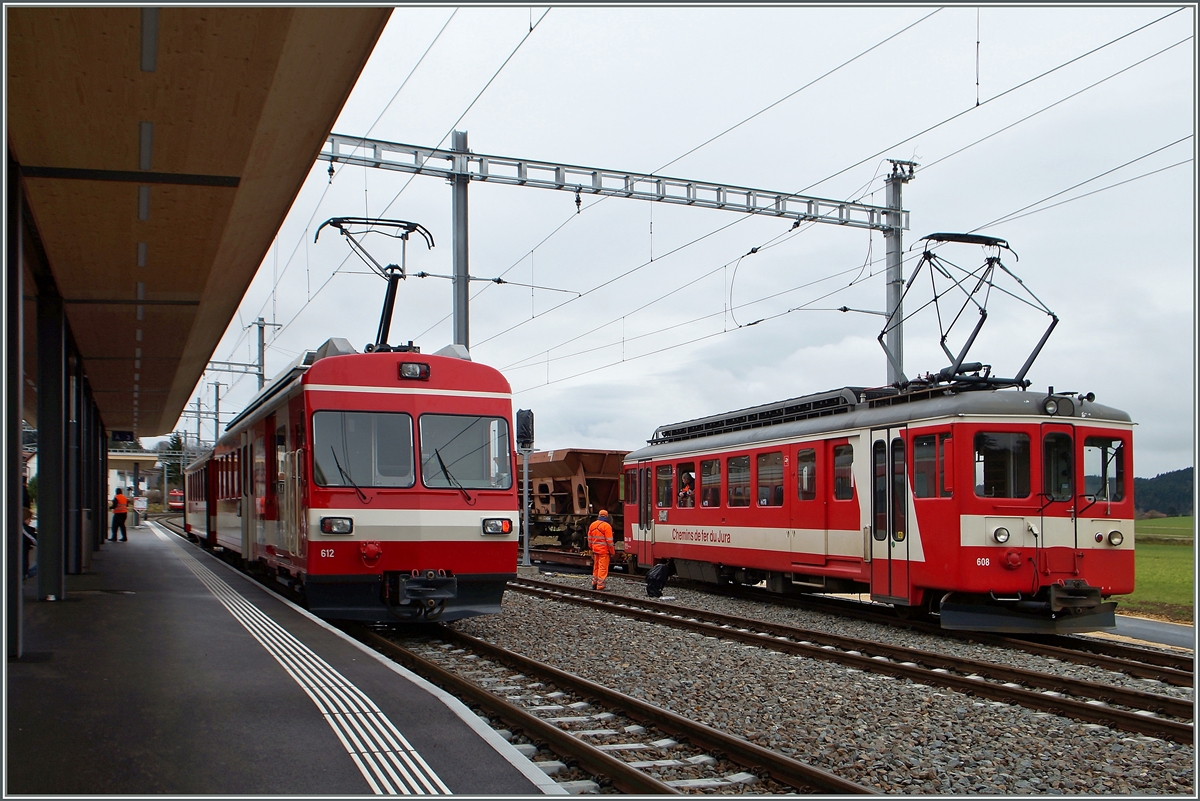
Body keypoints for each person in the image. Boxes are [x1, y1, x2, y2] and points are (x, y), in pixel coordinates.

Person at [587, 509, 616, 591]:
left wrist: (591, 548)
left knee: (596, 567)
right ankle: (600, 586)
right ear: (607, 516)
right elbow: (610, 542)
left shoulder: (592, 525)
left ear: (599, 516)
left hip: (595, 551)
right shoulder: (607, 526)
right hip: (604, 551)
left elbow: (589, 539)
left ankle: (594, 583)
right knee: (603, 568)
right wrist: (612, 552)